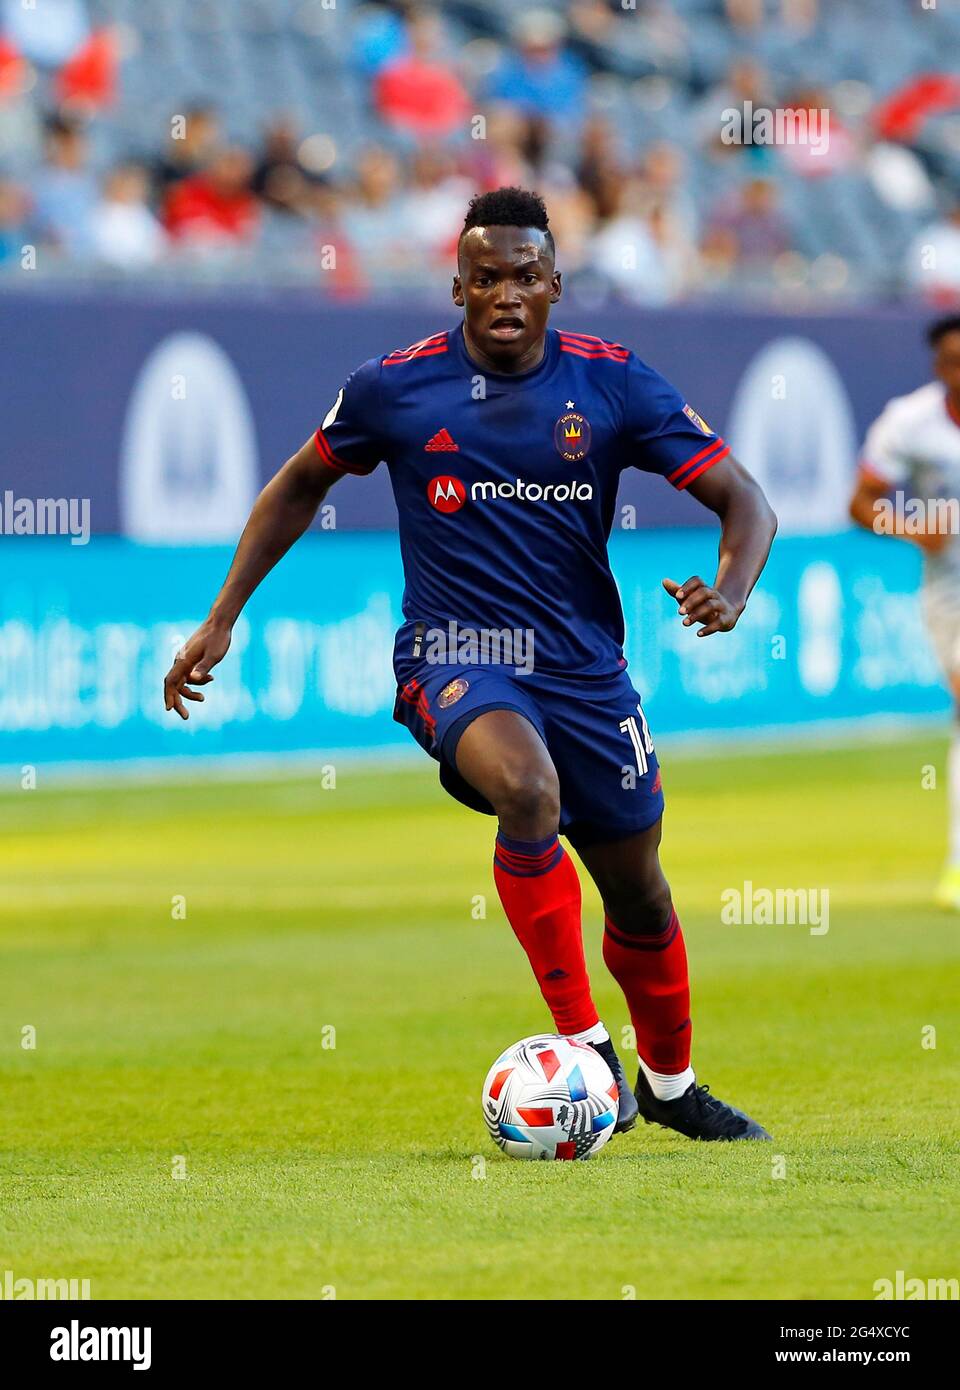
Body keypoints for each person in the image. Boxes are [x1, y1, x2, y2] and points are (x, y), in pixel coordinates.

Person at [164, 187, 778, 1143]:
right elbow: (297, 486)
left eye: (524, 277)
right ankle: (589, 1059)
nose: (504, 293)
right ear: (456, 286)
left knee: (640, 888)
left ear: (555, 286)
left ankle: (669, 1086)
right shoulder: (394, 389)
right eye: (485, 277)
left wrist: (733, 591)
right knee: (525, 790)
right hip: (454, 655)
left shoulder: (613, 384)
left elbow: (747, 503)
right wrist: (221, 617)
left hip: (584, 670)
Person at [849, 315, 960, 908]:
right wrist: (915, 531)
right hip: (952, 591)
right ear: (937, 367)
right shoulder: (910, 423)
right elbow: (861, 504)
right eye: (951, 362)